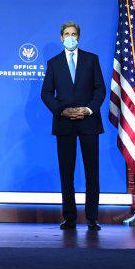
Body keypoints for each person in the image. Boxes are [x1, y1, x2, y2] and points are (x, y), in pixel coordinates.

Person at [40, 21, 105, 231]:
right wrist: (62, 111)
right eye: (67, 34)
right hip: (64, 123)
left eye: (74, 34)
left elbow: (100, 90)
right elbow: (46, 93)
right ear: (61, 38)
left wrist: (88, 110)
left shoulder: (91, 59)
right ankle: (69, 218)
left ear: (79, 37)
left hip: (88, 122)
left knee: (91, 171)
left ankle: (92, 217)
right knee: (66, 172)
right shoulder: (54, 63)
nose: (70, 37)